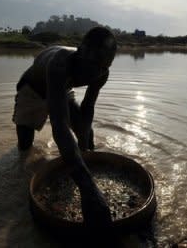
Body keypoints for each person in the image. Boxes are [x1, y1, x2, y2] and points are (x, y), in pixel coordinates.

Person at [12, 26, 117, 229]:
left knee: (86, 133)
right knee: (25, 146)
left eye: (103, 66)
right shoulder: (59, 62)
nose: (97, 72)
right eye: (93, 64)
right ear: (80, 51)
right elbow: (59, 127)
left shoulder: (102, 72)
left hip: (62, 89)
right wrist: (88, 189)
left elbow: (87, 110)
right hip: (33, 90)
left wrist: (84, 150)